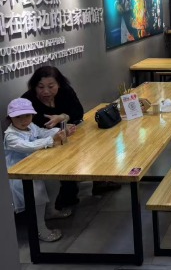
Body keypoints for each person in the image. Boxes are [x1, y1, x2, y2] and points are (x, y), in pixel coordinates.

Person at [21, 66, 120, 210]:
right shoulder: (27, 100)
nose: (46, 91)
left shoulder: (66, 91)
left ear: (59, 84)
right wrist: (58, 129)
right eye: (40, 87)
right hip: (43, 141)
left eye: (51, 86)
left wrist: (63, 117)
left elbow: (78, 111)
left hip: (71, 132)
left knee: (95, 143)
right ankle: (65, 196)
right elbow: (32, 127)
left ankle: (98, 181)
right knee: (63, 160)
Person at [4, 98, 76, 242]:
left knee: (53, 182)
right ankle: (39, 228)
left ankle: (50, 211)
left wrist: (61, 131)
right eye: (18, 117)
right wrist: (52, 140)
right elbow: (27, 146)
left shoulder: (31, 126)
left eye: (27, 115)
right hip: (19, 173)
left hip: (36, 166)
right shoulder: (10, 135)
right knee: (37, 195)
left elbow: (43, 132)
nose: (24, 120)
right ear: (10, 118)